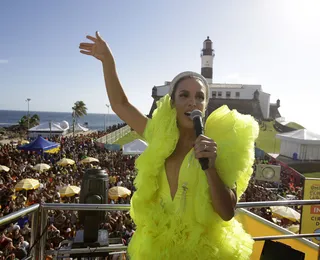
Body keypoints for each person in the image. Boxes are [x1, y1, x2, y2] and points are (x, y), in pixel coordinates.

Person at [79, 31, 259, 259]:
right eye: (184, 95)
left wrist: (210, 167)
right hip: (156, 247)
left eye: (199, 97)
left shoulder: (220, 144)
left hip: (204, 250)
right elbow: (120, 104)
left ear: (205, 105)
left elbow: (226, 212)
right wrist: (108, 61)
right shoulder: (159, 135)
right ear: (173, 102)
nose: (192, 101)